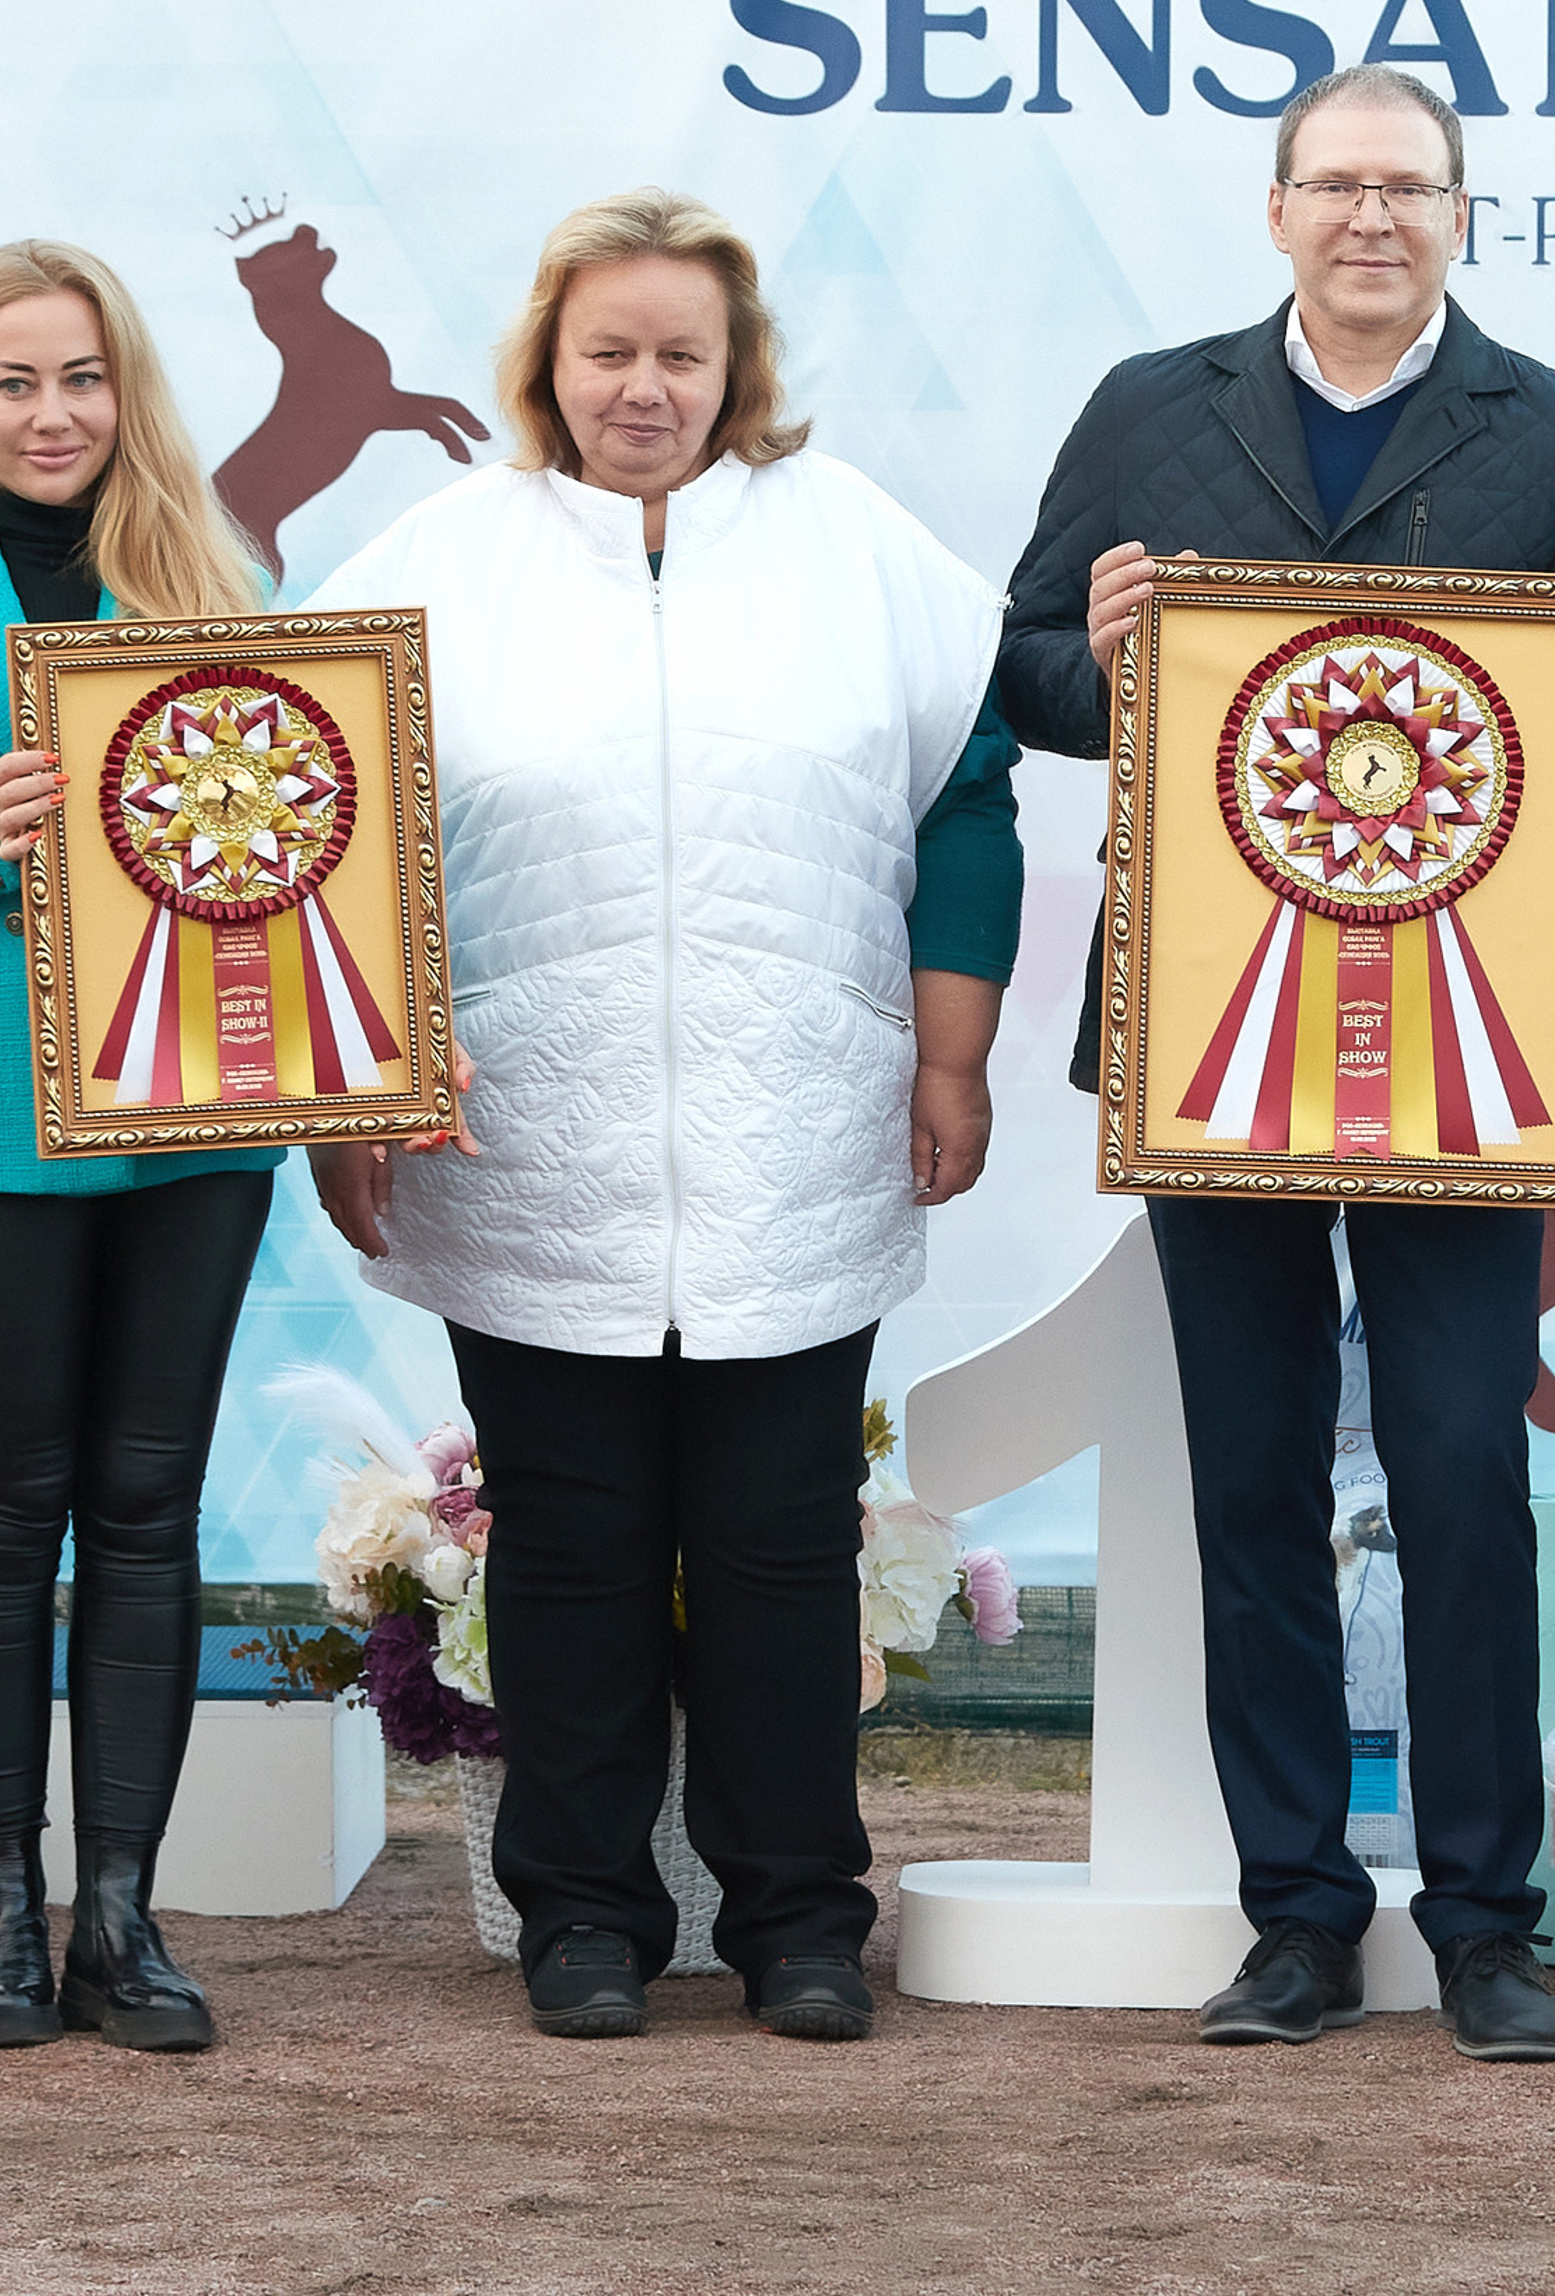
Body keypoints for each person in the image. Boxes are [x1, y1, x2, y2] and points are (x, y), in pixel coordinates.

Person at [999, 66, 1555, 2063]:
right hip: (1214, 1035)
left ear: (1460, 215)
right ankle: (1293, 1909)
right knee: (1250, 1476)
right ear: (1274, 208)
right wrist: (1101, 650)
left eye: (1413, 186)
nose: (1374, 216)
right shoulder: (1147, 409)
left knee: (1465, 1467)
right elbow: (1025, 669)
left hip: (1476, 1047)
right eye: (1340, 184)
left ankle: (1484, 1917)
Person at [306, 191, 1021, 2043]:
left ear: (737, 368)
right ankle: (584, 1922)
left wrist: (952, 1058)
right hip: (525, 1141)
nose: (644, 386)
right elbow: (320, 827)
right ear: (549, 358)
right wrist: (343, 1096)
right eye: (607, 350)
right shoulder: (433, 554)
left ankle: (796, 1921)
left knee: (786, 1542)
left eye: (681, 354)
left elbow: (967, 791)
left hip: (800, 1130)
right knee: (567, 1541)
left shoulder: (853, 544)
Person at [0, 240, 282, 2053]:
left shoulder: (220, 581)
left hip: (196, 1114)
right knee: (17, 1510)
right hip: (11, 1128)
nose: (51, 415)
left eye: (82, 378)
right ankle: (4, 1922)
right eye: (14, 383)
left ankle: (121, 1915)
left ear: (132, 391)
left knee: (152, 1503)